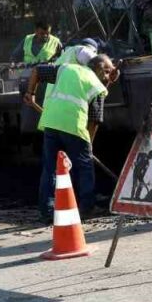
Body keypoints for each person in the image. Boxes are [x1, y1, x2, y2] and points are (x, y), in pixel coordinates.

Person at [32, 53, 119, 222]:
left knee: (50, 168)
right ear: (100, 69)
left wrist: (30, 92)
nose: (109, 76)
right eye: (108, 72)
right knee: (85, 166)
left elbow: (36, 70)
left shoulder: (66, 68)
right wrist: (89, 147)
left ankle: (47, 210)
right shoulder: (97, 87)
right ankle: (87, 207)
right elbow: (93, 122)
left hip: (51, 123)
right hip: (73, 126)